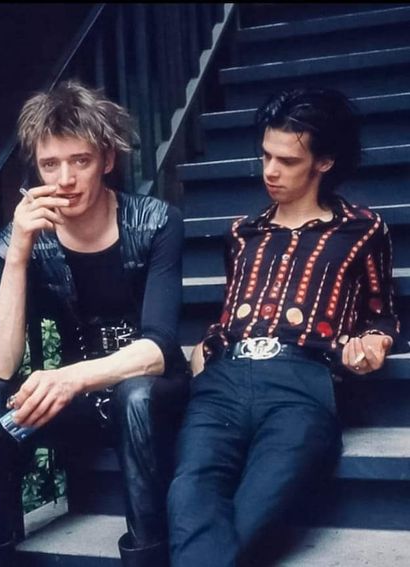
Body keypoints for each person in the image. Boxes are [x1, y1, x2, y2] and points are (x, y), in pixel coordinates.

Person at [0, 79, 189, 567]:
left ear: (105, 160)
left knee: (137, 393)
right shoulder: (24, 239)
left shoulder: (156, 221)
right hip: (78, 401)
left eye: (79, 161)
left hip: (151, 397)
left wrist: (67, 377)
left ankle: (148, 556)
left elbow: (161, 348)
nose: (64, 179)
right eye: (49, 164)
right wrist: (17, 252)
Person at [167, 87, 403, 567]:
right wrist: (207, 349)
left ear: (324, 163)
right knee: (189, 491)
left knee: (256, 511)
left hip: (302, 385)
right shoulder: (242, 233)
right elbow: (228, 312)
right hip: (224, 383)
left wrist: (374, 342)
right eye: (265, 156)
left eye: (287, 161)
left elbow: (383, 315)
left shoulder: (363, 230)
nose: (270, 171)